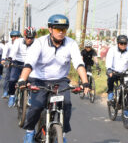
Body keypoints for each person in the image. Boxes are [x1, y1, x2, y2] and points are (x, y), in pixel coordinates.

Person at [18, 14, 89, 143]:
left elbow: (79, 63)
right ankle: (29, 133)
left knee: (67, 104)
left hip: (60, 80)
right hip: (39, 79)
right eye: (57, 29)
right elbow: (29, 63)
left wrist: (85, 82)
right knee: (36, 107)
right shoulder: (39, 43)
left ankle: (63, 134)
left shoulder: (71, 43)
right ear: (50, 29)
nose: (61, 32)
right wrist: (23, 79)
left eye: (64, 29)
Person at [105, 35, 128, 117]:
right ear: (118, 43)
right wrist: (109, 69)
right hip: (114, 71)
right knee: (110, 79)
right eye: (121, 43)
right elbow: (108, 60)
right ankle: (110, 93)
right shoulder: (112, 50)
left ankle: (126, 110)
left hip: (124, 73)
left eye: (125, 44)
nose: (123, 45)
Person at [7, 27, 36, 107]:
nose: (29, 39)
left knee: (32, 81)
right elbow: (13, 51)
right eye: (28, 37)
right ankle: (12, 96)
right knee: (12, 80)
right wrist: (10, 59)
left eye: (31, 38)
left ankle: (30, 97)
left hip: (29, 63)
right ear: (24, 36)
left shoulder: (36, 43)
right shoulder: (18, 41)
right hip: (17, 62)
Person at [1, 31, 21, 98]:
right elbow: (4, 53)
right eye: (13, 36)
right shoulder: (8, 44)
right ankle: (6, 92)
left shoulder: (22, 44)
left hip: (19, 61)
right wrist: (3, 59)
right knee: (8, 76)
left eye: (17, 36)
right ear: (11, 37)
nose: (15, 38)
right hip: (8, 60)